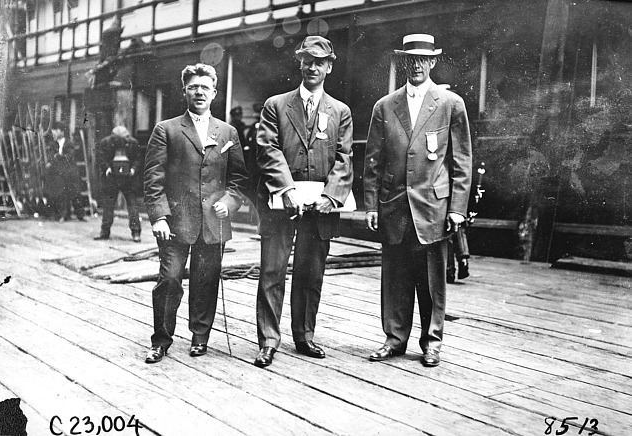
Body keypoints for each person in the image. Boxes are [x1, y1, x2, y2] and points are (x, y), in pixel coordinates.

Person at [363, 34, 472, 367]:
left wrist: (456, 208)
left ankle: (432, 341)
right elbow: (372, 160)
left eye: (423, 60)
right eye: (411, 60)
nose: (417, 65)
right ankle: (394, 339)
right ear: (403, 63)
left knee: (431, 278)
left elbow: (461, 160)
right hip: (394, 203)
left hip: (433, 207)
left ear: (433, 62)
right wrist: (370, 204)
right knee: (395, 275)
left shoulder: (451, 104)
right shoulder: (385, 106)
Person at [253, 36, 353, 367]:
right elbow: (268, 149)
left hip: (320, 206)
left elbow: (344, 157)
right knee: (272, 270)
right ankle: (269, 339)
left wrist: (331, 196)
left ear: (329, 67)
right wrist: (286, 189)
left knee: (311, 272)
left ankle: (304, 336)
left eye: (319, 62)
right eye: (307, 61)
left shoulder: (340, 111)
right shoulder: (276, 105)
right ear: (300, 63)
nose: (313, 67)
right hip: (283, 203)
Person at [142, 63, 248, 364]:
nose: (199, 92)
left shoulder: (227, 132)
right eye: (193, 87)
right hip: (176, 221)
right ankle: (161, 340)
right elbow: (153, 178)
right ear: (184, 91)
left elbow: (239, 179)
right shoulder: (167, 129)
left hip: (213, 222)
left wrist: (229, 202)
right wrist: (159, 216)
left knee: (207, 280)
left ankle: (200, 338)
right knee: (169, 279)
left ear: (214, 93)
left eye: (205, 87)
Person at [94, 126, 143, 242]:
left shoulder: (133, 144)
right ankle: (104, 232)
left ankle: (136, 232)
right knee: (108, 206)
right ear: (113, 139)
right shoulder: (105, 143)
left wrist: (133, 170)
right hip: (112, 179)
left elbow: (138, 159)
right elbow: (101, 158)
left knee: (132, 205)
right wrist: (107, 169)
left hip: (128, 180)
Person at [44, 121, 86, 222]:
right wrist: (57, 158)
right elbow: (51, 158)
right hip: (59, 173)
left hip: (70, 173)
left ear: (62, 132)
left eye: (56, 131)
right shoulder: (53, 145)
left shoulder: (69, 143)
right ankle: (61, 214)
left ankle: (80, 214)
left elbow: (69, 158)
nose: (54, 133)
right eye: (53, 131)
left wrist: (58, 157)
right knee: (57, 188)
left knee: (74, 192)